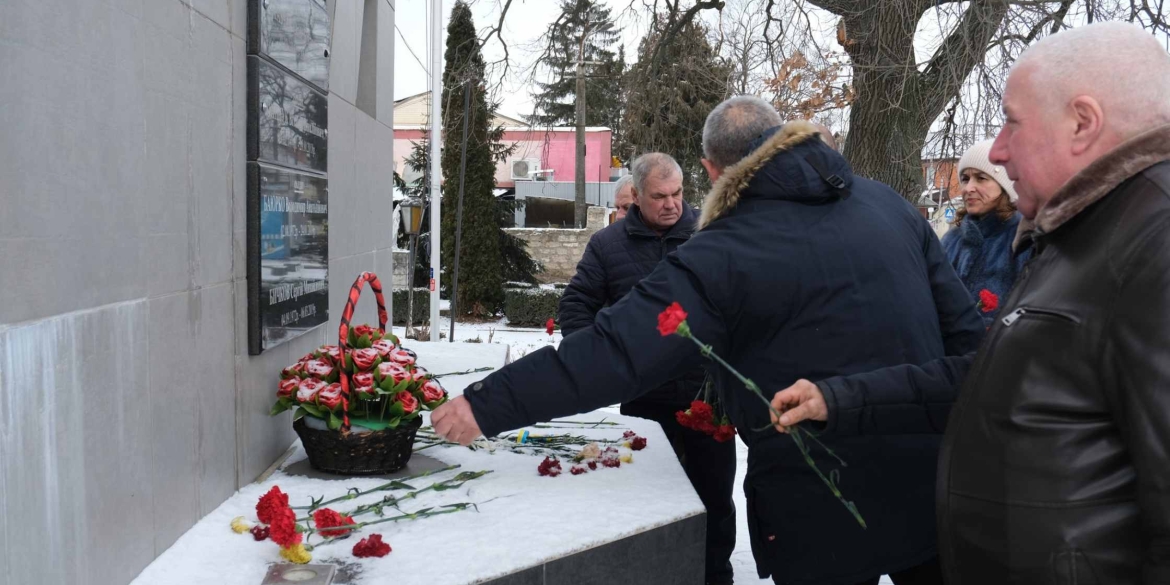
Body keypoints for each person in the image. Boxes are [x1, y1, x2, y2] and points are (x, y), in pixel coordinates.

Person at [434, 95, 984, 584]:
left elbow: (616, 351)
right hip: (933, 481)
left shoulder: (722, 251)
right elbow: (969, 340)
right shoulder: (887, 204)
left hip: (818, 498)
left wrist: (486, 404)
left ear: (711, 169)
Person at [770, 22, 1170, 584]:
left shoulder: (1153, 245)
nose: (1000, 150)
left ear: (1083, 122)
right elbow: (983, 384)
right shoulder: (1079, 237)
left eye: (1011, 121)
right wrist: (837, 397)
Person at [557, 152, 736, 585]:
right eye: (660, 196)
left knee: (714, 500)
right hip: (645, 401)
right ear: (636, 196)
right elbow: (576, 307)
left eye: (677, 193)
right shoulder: (608, 245)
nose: (672, 204)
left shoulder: (711, 233)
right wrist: (600, 360)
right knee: (646, 503)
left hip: (707, 401)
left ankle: (715, 577)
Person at [941, 139, 1029, 325]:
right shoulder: (951, 240)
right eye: (965, 179)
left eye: (981, 178)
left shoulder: (1023, 238)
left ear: (1006, 186)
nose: (968, 188)